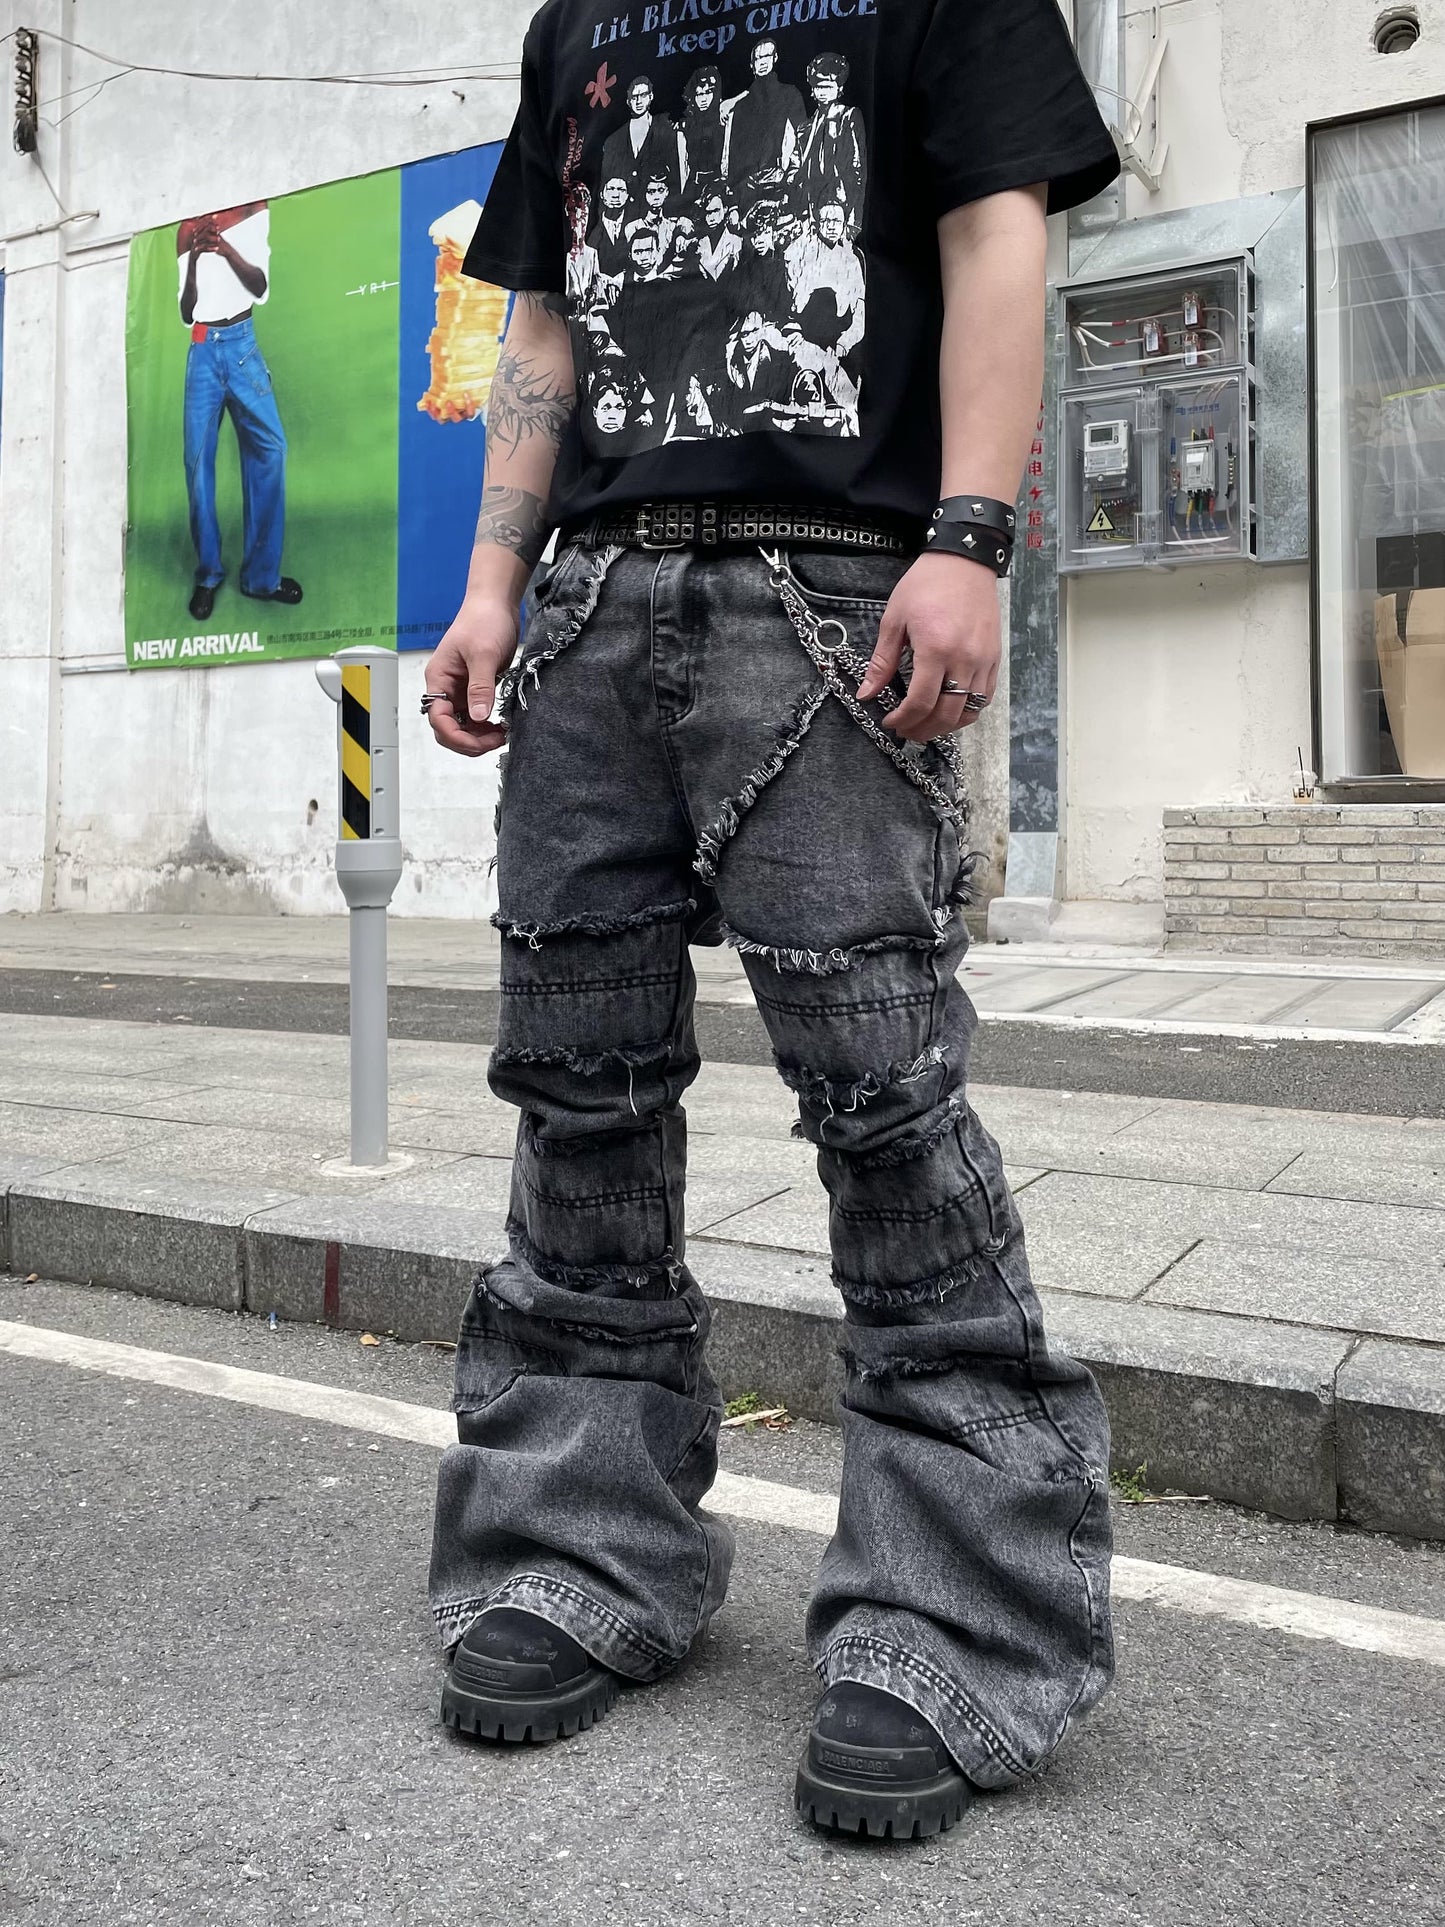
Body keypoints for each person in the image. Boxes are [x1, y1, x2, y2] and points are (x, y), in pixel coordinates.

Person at [424, 0, 1122, 1841]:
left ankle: (956, 1616)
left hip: (831, 586)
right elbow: (548, 316)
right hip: (591, 603)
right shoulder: (576, 20)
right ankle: (574, 1548)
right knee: (576, 1099)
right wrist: (493, 579)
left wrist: (971, 536)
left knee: (884, 1106)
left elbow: (997, 229)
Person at [176, 200, 302, 623]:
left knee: (271, 450)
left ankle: (261, 578)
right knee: (197, 464)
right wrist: (196, 257)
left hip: (243, 346)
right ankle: (209, 574)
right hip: (202, 351)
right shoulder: (187, 228)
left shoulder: (252, 210)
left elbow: (260, 287)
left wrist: (225, 249)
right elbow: (186, 312)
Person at [722, 39, 806, 209]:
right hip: (746, 187)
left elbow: (803, 136)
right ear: (752, 64)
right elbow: (733, 152)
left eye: (767, 56)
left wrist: (791, 176)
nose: (762, 62)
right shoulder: (741, 105)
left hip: (778, 182)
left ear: (775, 58)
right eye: (758, 58)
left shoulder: (790, 95)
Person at [793, 53, 867, 231]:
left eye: (828, 86)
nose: (823, 92)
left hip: (840, 204)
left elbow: (857, 167)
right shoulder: (805, 128)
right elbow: (797, 163)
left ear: (839, 87)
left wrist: (854, 218)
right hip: (810, 208)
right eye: (819, 86)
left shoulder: (849, 117)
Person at [600, 75, 682, 202]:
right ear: (628, 101)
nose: (638, 101)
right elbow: (606, 181)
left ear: (651, 96)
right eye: (634, 97)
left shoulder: (666, 130)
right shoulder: (614, 139)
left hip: (657, 206)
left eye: (643, 95)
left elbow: (675, 174)